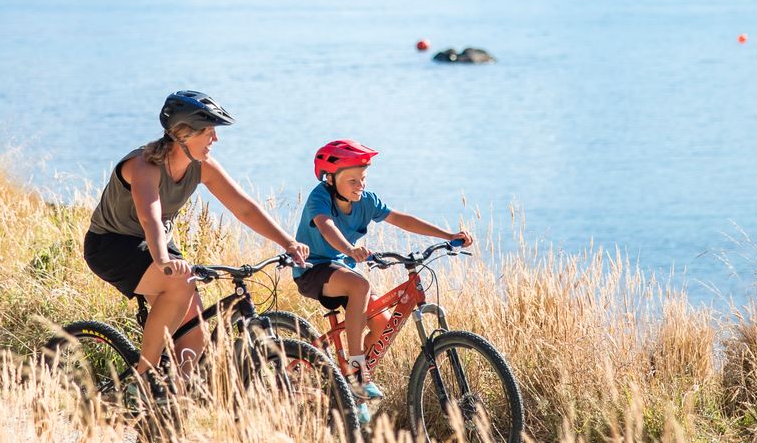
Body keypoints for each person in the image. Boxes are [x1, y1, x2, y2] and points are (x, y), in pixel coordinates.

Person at [82, 90, 310, 372]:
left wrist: (287, 242)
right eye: (209, 131)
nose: (215, 139)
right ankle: (143, 376)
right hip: (112, 245)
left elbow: (244, 208)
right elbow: (149, 216)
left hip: (157, 243)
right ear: (182, 134)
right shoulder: (144, 166)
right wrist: (163, 260)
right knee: (181, 282)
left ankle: (175, 398)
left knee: (195, 329)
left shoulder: (202, 166)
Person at [292, 140, 471, 399]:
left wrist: (447, 234)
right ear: (330, 179)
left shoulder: (366, 201)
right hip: (311, 269)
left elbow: (400, 219)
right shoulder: (319, 197)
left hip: (341, 269)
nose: (360, 185)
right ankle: (357, 372)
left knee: (383, 325)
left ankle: (349, 394)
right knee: (360, 285)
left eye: (363, 178)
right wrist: (350, 249)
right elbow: (326, 226)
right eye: (352, 180)